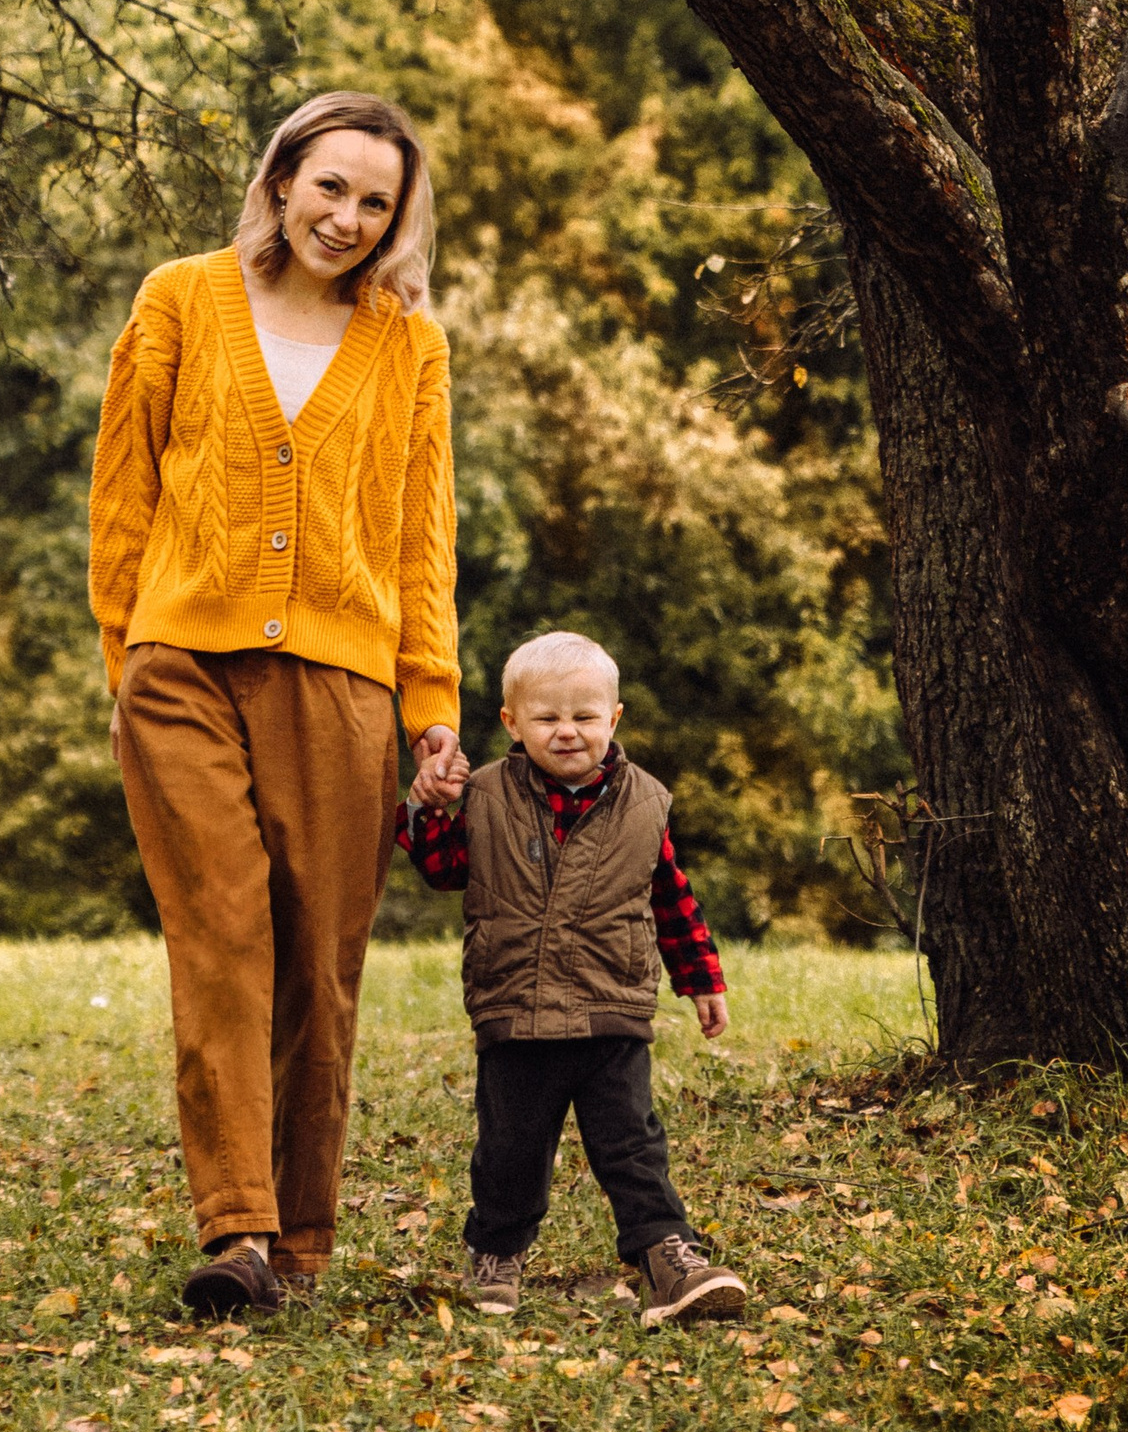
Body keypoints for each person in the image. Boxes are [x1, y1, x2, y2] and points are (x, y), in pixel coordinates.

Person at [90, 92, 468, 1318]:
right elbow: (122, 496)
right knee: (223, 931)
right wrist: (129, 656)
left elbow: (422, 541)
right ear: (279, 178)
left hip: (342, 679)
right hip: (179, 663)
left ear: (398, 219)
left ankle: (301, 1235)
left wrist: (431, 706)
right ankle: (238, 1228)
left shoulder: (409, 345)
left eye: (376, 200)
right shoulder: (178, 298)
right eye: (329, 186)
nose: (347, 216)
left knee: (321, 954)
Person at [399, 627, 747, 1327]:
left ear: (613, 719)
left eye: (584, 717)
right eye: (547, 718)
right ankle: (494, 1257)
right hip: (514, 1010)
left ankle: (667, 1258)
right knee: (510, 1151)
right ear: (511, 724)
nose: (566, 733)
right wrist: (432, 809)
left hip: (610, 1009)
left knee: (633, 1145)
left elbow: (671, 897)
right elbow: (440, 871)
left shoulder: (646, 802)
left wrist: (700, 978)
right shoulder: (485, 795)